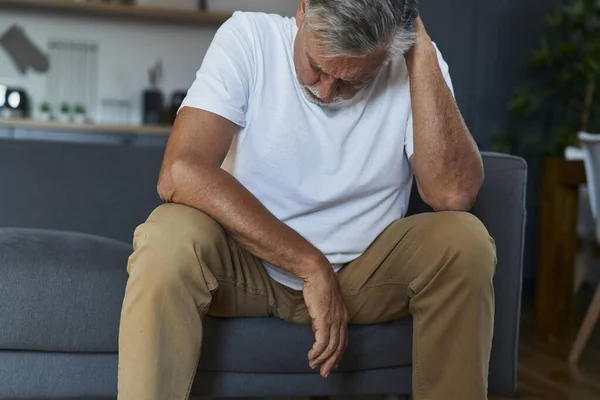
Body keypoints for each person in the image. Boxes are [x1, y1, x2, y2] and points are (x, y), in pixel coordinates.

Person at [118, 0, 497, 399]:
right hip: (248, 267)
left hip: (362, 276)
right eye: (317, 67)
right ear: (302, 10)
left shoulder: (414, 63)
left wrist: (417, 44)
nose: (326, 92)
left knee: (464, 240)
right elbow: (180, 171)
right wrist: (308, 264)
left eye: (352, 82)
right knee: (167, 235)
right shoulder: (249, 37)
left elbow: (453, 194)